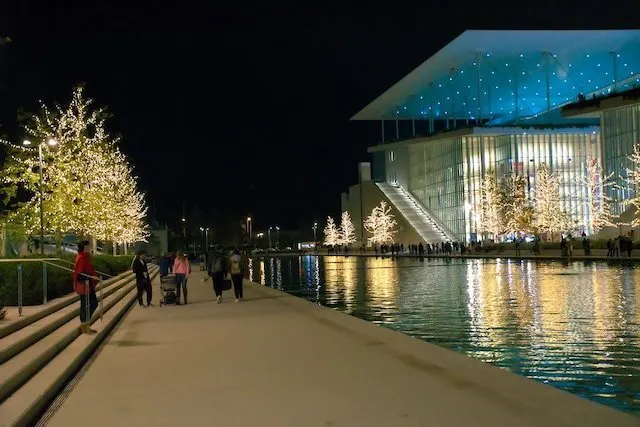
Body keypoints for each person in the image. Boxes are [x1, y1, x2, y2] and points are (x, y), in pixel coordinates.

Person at [73, 240, 98, 334]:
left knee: (90, 304)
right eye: (88, 247)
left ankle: (85, 324)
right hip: (84, 285)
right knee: (87, 304)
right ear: (84, 247)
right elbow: (79, 274)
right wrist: (91, 276)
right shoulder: (81, 258)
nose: (89, 248)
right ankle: (84, 324)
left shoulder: (86, 257)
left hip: (89, 285)